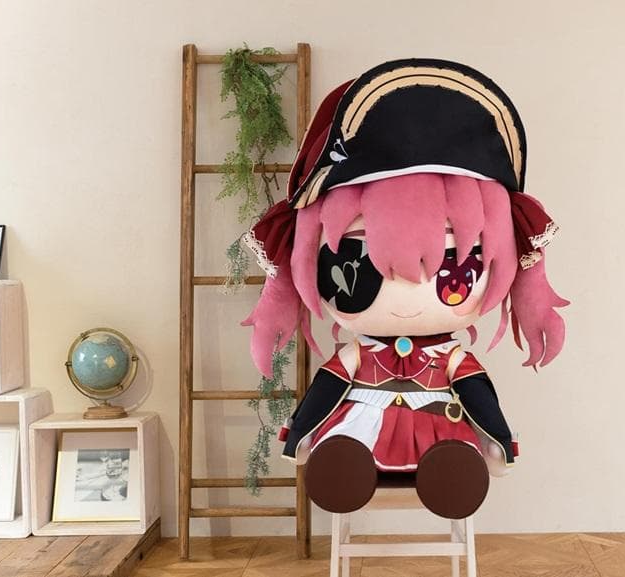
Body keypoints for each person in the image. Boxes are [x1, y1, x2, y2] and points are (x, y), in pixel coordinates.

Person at [242, 59, 567, 519]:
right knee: (346, 448)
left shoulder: (447, 358)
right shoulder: (361, 355)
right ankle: (345, 471)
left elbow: (476, 394)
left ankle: (450, 474)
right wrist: (302, 433)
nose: (406, 288)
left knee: (451, 453)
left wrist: (497, 439)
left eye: (454, 263)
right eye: (358, 263)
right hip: (362, 428)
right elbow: (327, 389)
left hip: (437, 426)